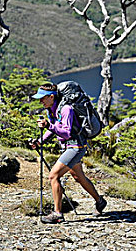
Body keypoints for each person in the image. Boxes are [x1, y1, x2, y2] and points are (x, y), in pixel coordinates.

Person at [31, 83, 107, 224]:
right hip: (68, 146)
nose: (40, 101)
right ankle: (100, 201)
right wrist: (40, 141)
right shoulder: (52, 109)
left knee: (54, 176)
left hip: (75, 146)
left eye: (42, 98)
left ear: (51, 97)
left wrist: (49, 125)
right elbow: (54, 128)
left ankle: (57, 213)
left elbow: (65, 132)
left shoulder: (66, 109)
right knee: (78, 176)